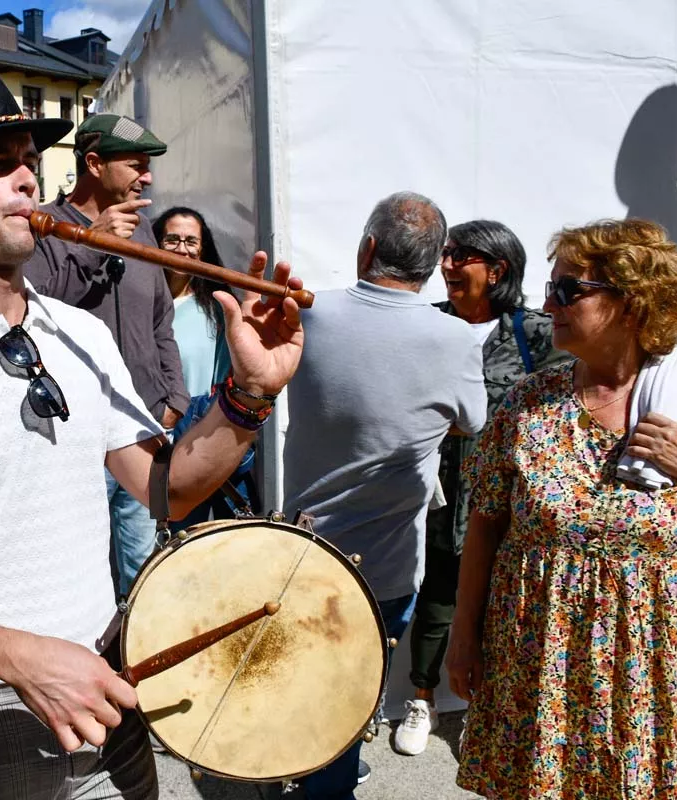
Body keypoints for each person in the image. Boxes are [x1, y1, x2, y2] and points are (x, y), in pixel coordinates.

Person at [0, 67, 304, 800]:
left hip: (108, 691)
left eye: (26, 163)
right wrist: (19, 659)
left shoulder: (77, 333)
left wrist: (247, 396)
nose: (25, 182)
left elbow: (167, 490)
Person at [448, 219, 677, 800]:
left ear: (633, 305)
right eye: (550, 287)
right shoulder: (526, 403)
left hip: (656, 664)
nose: (547, 304)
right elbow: (485, 524)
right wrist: (465, 635)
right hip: (541, 661)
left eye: (569, 291)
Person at [281, 191, 487, 799]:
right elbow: (470, 421)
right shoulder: (455, 340)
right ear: (430, 268)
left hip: (305, 547)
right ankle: (329, 775)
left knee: (312, 681)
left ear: (367, 248)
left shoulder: (312, 314)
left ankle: (318, 767)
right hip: (391, 563)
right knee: (352, 688)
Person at [393, 220, 567, 756]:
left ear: (497, 270)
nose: (446, 265)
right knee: (438, 594)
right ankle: (421, 697)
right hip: (436, 488)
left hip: (509, 494)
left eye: (460, 256)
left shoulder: (533, 331)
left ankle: (483, 704)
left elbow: (561, 406)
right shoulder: (427, 325)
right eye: (445, 254)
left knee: (507, 602)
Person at [25, 113, 189, 597]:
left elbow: (161, 320)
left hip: (142, 426)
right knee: (85, 571)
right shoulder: (46, 230)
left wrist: (173, 393)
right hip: (78, 438)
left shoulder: (144, 231)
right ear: (94, 163)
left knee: (144, 567)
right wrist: (92, 242)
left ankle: (135, 666)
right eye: (136, 164)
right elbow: (35, 311)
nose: (148, 176)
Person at [153, 206, 257, 524]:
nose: (182, 249)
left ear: (203, 249)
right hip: (150, 449)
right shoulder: (138, 305)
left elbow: (230, 383)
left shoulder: (216, 309)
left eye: (190, 241)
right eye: (172, 239)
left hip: (201, 444)